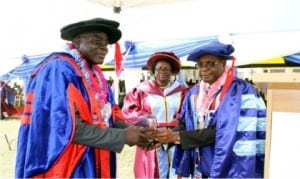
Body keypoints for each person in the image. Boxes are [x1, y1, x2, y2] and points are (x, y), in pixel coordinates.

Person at [15, 17, 154, 178]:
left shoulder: (96, 74)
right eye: (97, 40)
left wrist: (136, 131)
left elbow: (109, 115)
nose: (104, 47)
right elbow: (66, 128)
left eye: (106, 43)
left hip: (94, 157)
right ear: (77, 42)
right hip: (67, 162)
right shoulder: (58, 69)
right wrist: (124, 136)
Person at [154, 41, 267, 178]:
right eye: (200, 64)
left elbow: (225, 132)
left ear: (224, 64)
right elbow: (186, 123)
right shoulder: (194, 92)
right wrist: (167, 136)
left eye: (210, 63)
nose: (204, 69)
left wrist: (176, 136)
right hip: (201, 167)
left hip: (229, 168)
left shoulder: (239, 91)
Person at [122, 51, 189, 178]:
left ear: (172, 71)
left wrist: (176, 126)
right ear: (153, 71)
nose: (162, 72)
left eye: (166, 69)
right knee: (153, 171)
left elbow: (187, 113)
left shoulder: (182, 91)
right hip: (150, 136)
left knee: (175, 171)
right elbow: (129, 111)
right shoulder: (141, 91)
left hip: (175, 135)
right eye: (158, 69)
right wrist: (148, 124)